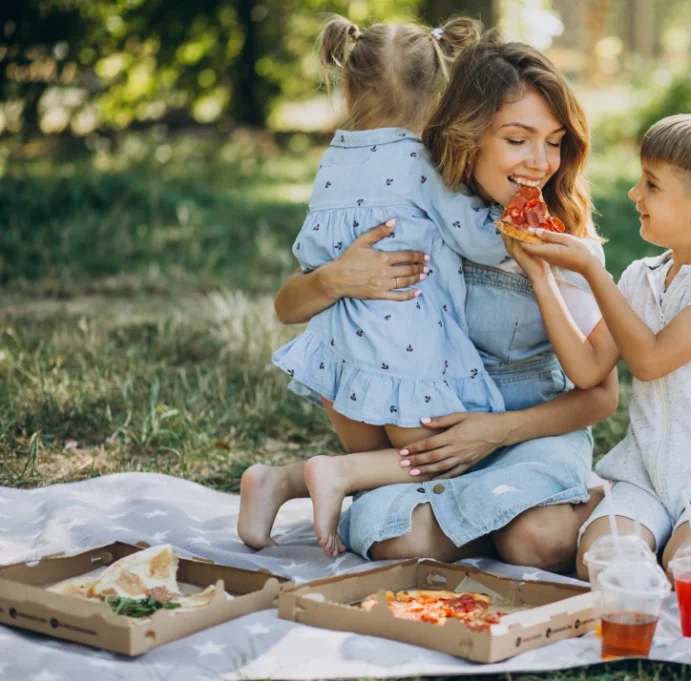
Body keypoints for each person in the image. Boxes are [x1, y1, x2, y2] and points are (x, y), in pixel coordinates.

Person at [239, 34, 617, 572]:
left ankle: (538, 509)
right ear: (468, 136)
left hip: (527, 431)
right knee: (403, 543)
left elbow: (601, 396)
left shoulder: (556, 234)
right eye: (517, 140)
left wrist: (495, 431)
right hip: (427, 450)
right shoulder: (414, 210)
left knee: (540, 542)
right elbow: (288, 305)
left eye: (554, 142)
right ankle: (453, 508)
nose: (540, 163)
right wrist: (338, 277)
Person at [238, 14, 511, 557]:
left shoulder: (333, 161)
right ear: (439, 95)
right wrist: (511, 224)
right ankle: (328, 474)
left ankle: (280, 481)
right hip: (406, 349)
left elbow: (311, 255)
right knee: (456, 455)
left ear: (348, 86)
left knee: (388, 474)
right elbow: (475, 240)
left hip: (341, 351)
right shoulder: (425, 163)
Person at [508, 110, 691, 587]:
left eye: (651, 185)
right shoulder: (642, 277)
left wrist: (594, 273)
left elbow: (651, 361)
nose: (635, 194)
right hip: (645, 478)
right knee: (602, 559)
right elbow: (588, 369)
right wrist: (541, 275)